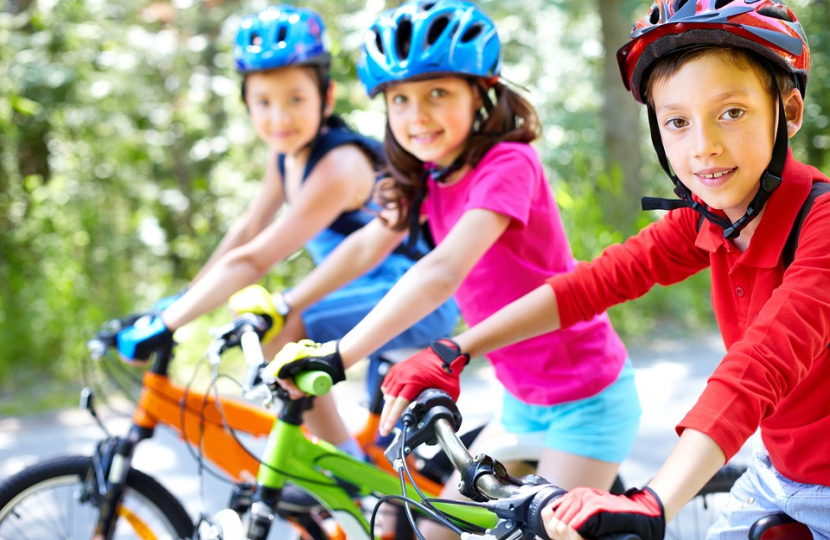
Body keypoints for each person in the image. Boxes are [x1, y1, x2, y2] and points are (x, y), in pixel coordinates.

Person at [377, 1, 830, 539]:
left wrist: (654, 502)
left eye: (731, 112)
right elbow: (591, 285)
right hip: (777, 474)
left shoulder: (820, 226)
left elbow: (759, 367)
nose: (703, 146)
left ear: (790, 110)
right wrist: (457, 349)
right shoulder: (707, 220)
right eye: (678, 122)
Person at [265, 2, 640, 537]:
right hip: (523, 402)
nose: (418, 115)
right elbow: (364, 247)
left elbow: (443, 271)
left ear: (480, 93)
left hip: (588, 402)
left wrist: (342, 352)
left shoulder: (508, 164)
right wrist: (287, 306)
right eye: (400, 99)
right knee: (435, 530)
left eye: (437, 94)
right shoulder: (430, 179)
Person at [115, 5, 458, 462]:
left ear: (327, 98)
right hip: (365, 296)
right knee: (291, 333)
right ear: (246, 104)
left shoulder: (336, 166)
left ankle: (339, 466)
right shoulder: (287, 155)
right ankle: (344, 465)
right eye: (263, 102)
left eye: (296, 99)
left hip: (414, 300)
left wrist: (172, 321)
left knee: (287, 328)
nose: (280, 117)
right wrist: (183, 300)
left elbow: (257, 259)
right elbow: (249, 230)